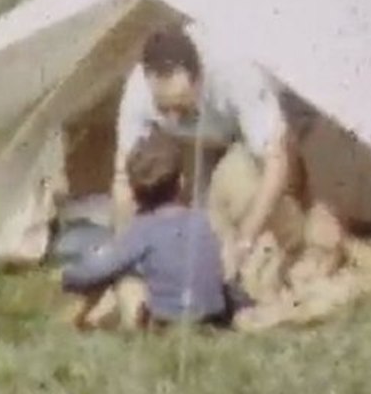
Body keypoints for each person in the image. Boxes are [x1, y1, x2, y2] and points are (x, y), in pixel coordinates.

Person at [111, 21, 326, 287]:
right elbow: (124, 178)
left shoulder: (235, 71)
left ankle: (298, 245)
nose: (173, 117)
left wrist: (246, 239)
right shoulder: (138, 91)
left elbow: (277, 160)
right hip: (207, 142)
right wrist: (122, 257)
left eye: (180, 105)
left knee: (239, 185)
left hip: (283, 126)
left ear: (199, 78)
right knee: (207, 225)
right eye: (163, 108)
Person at [62, 129, 230, 328]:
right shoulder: (203, 221)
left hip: (167, 323)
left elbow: (99, 270)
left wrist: (69, 275)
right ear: (182, 182)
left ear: (133, 192)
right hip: (213, 318)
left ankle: (79, 322)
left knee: (124, 279)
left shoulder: (143, 229)